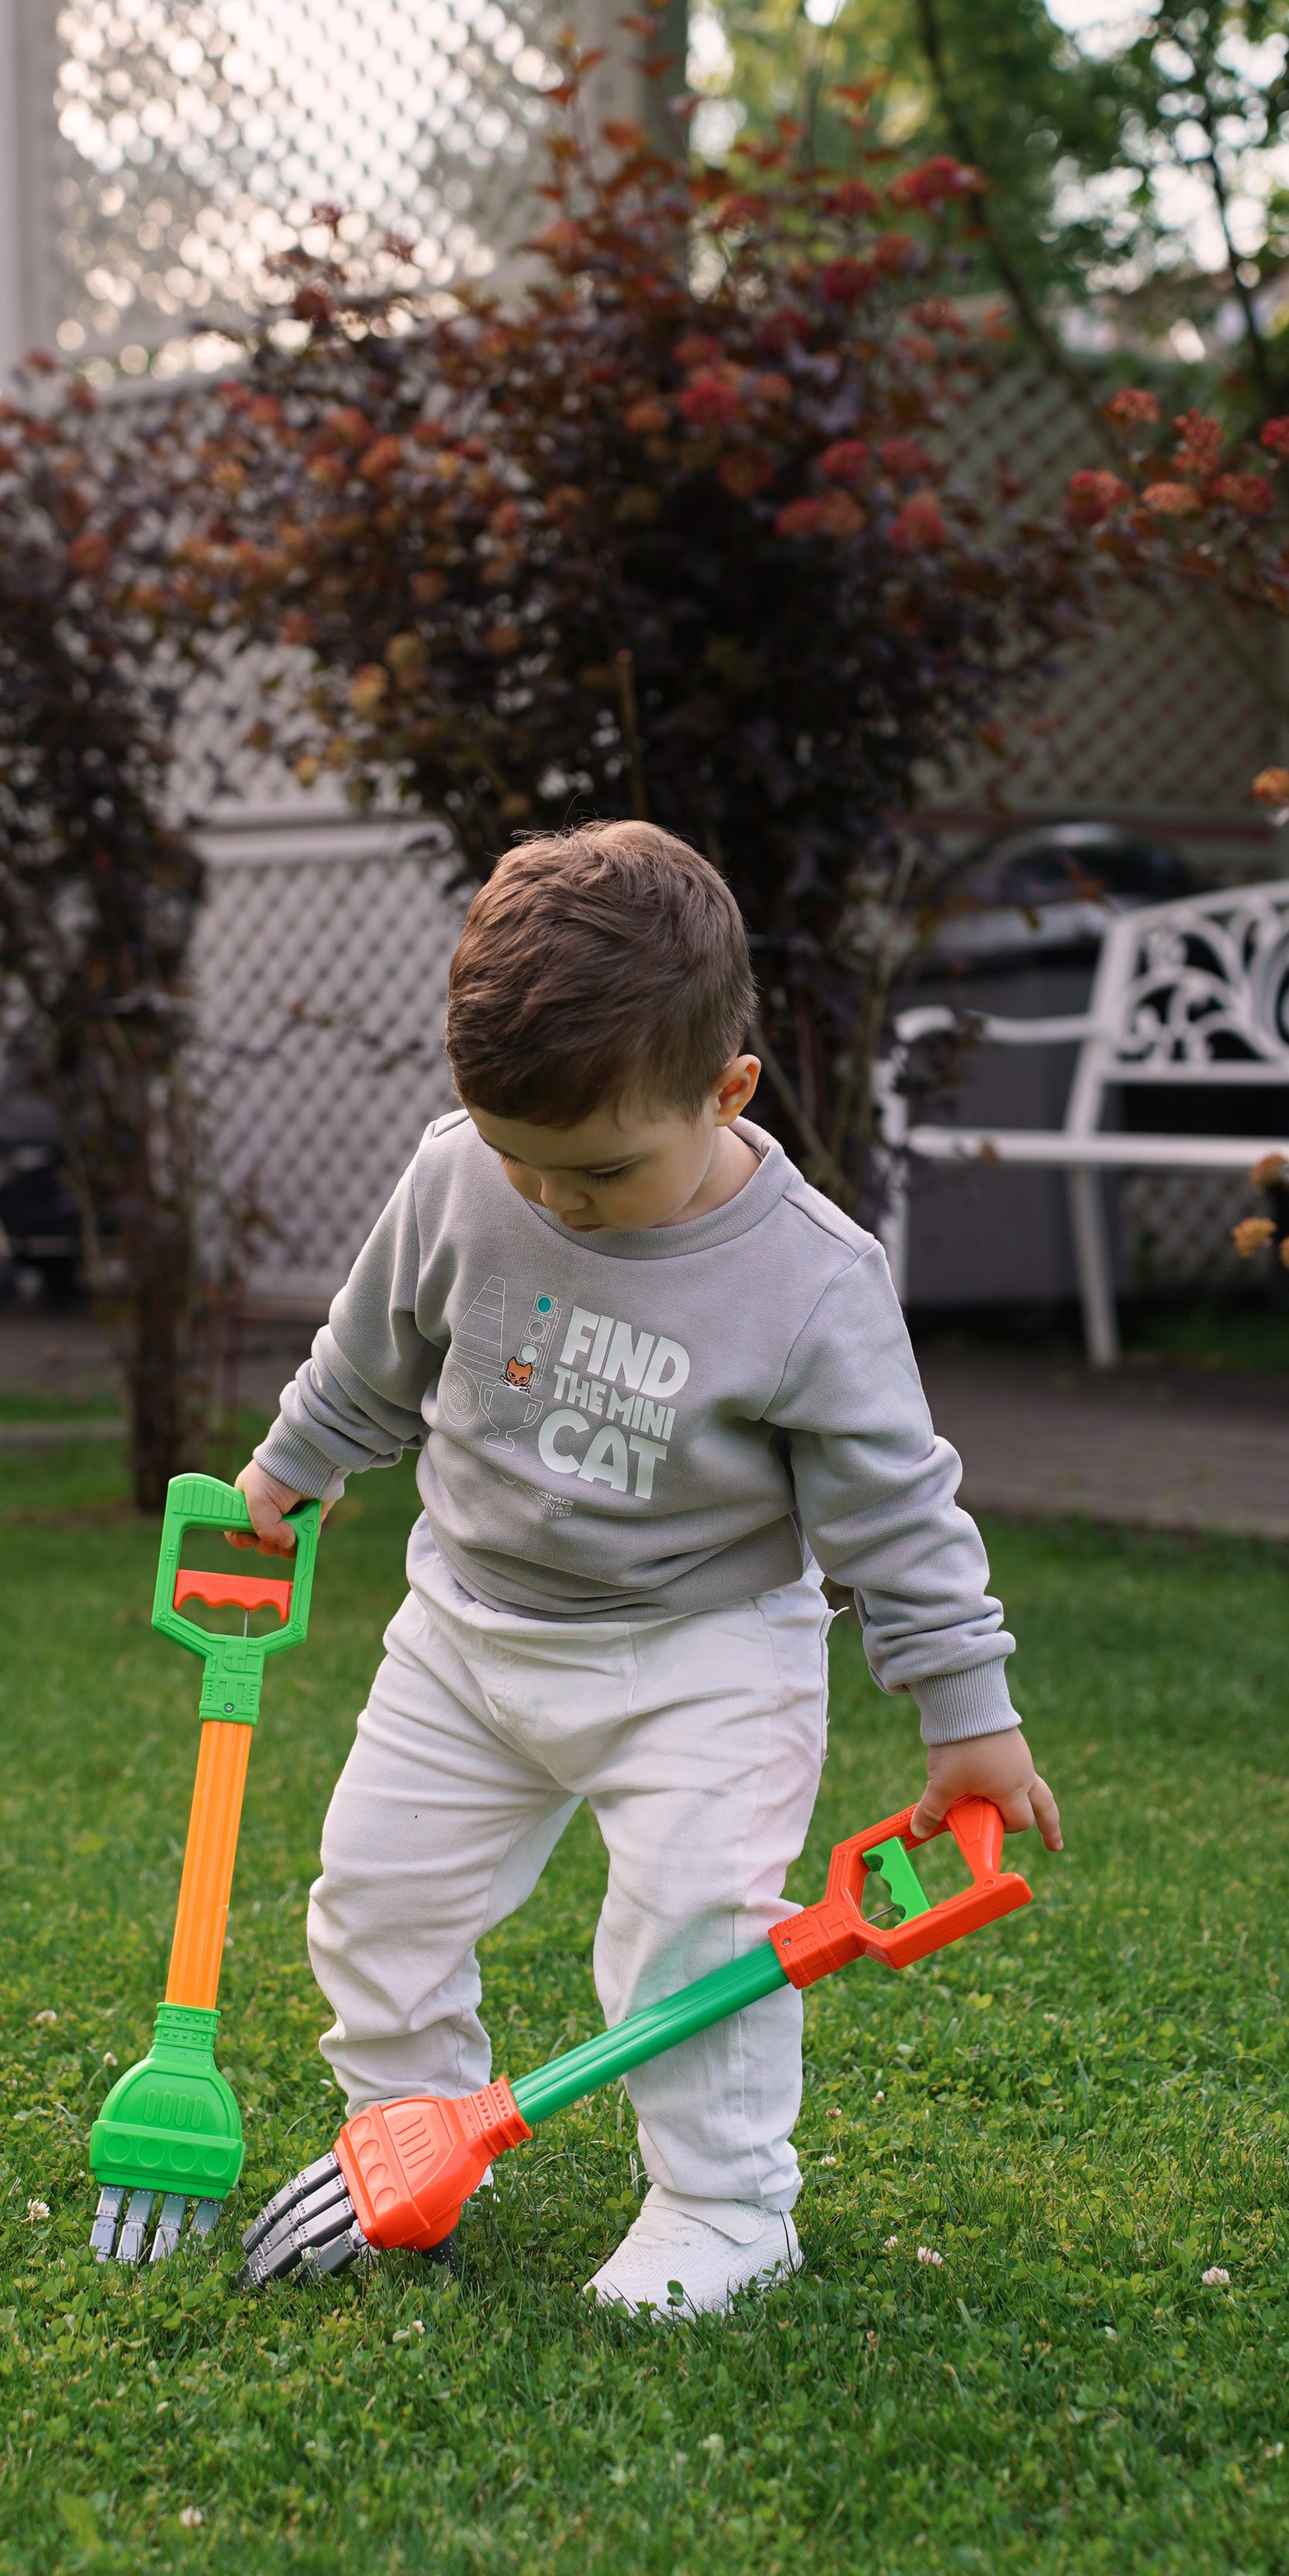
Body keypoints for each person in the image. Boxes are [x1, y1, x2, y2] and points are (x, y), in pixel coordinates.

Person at [235, 821, 1060, 2318]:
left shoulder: (810, 1278)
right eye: (522, 1160)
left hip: (704, 1652)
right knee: (374, 1897)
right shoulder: (457, 1178)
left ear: (727, 1091)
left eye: (602, 1170)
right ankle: (410, 2139)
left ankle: (724, 2205)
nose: (554, 1201)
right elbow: (374, 1350)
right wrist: (295, 1465)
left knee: (692, 1933)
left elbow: (896, 1512)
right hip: (464, 1633)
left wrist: (968, 1712)